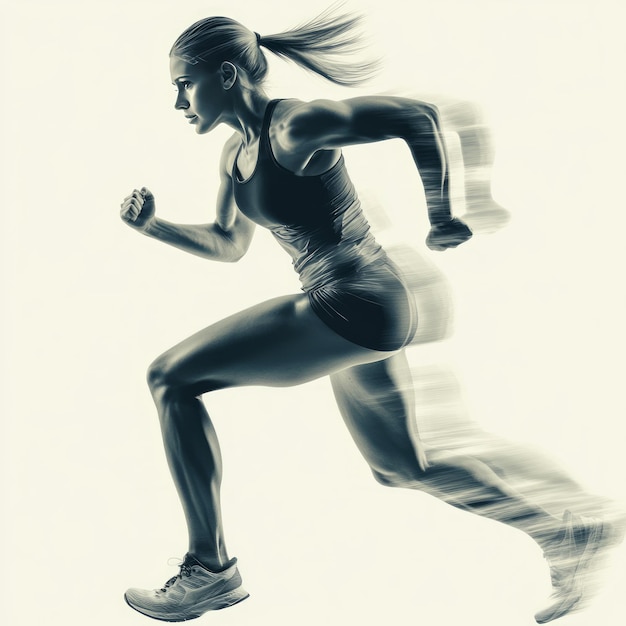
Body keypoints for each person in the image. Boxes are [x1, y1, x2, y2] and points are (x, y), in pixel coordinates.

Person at [119, 8, 622, 624]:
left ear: (224, 75)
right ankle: (566, 533)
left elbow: (416, 117)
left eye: (182, 84)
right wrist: (155, 226)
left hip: (353, 302)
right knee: (402, 467)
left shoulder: (294, 126)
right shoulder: (234, 154)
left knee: (170, 377)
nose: (177, 103)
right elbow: (229, 242)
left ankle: (210, 569)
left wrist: (442, 212)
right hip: (357, 317)